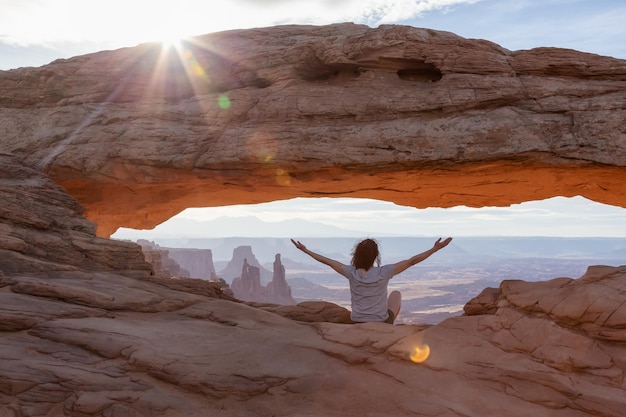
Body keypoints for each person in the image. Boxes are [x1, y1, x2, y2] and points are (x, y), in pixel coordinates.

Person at [291, 237, 453, 324]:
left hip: (357, 321)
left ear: (356, 255)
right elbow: (412, 261)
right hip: (381, 322)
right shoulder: (385, 272)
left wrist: (306, 251)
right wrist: (435, 248)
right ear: (375, 256)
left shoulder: (350, 272)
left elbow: (327, 261)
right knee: (396, 294)